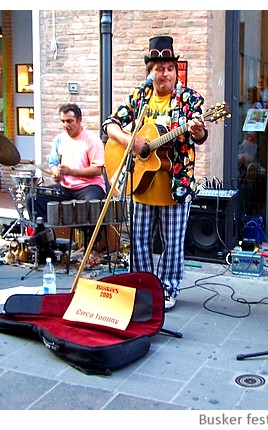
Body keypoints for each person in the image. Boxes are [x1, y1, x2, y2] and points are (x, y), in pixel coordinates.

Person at [102, 35, 208, 311]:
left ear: (176, 70)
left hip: (175, 186)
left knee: (172, 244)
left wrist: (199, 130)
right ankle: (143, 286)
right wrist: (131, 141)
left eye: (169, 68)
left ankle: (168, 288)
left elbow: (199, 134)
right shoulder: (140, 97)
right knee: (138, 242)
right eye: (159, 68)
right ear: (150, 71)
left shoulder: (189, 99)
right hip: (141, 184)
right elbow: (110, 125)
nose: (165, 73)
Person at [27, 103, 107, 223]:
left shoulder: (92, 139)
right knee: (33, 198)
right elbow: (53, 163)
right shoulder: (59, 139)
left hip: (90, 186)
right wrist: (56, 173)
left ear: (79, 120)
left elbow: (97, 170)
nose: (66, 125)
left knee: (91, 207)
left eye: (70, 121)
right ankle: (45, 234)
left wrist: (70, 172)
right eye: (63, 121)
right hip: (66, 186)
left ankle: (91, 239)